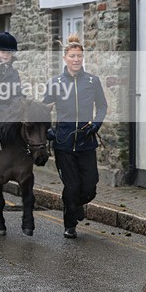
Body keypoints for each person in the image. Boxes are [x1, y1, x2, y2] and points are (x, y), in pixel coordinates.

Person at [44, 33, 108, 239]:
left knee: (90, 187)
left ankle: (77, 204)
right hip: (63, 143)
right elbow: (43, 109)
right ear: (65, 58)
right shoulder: (55, 83)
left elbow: (103, 106)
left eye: (79, 56)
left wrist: (96, 124)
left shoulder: (92, 81)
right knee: (72, 186)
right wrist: (47, 130)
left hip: (86, 142)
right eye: (72, 56)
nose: (76, 60)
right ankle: (69, 224)